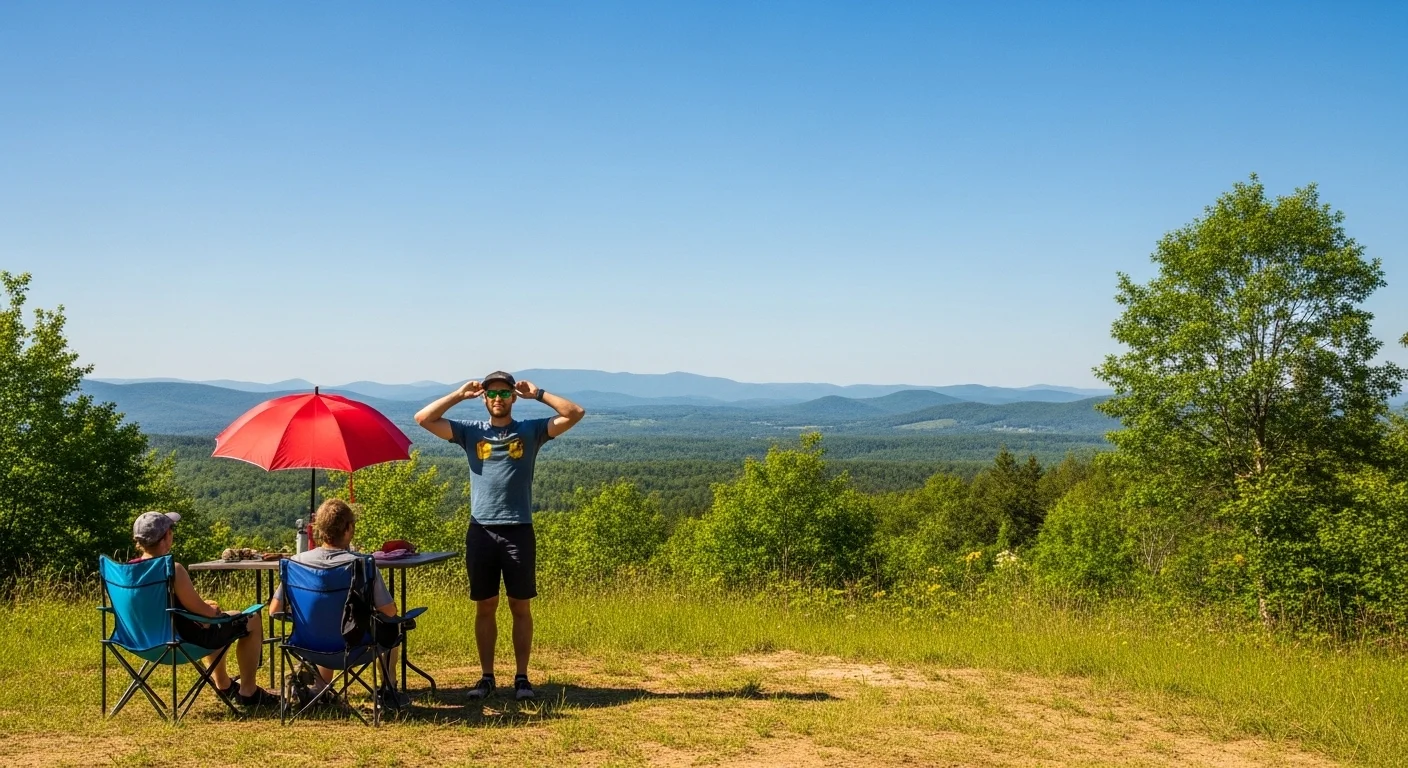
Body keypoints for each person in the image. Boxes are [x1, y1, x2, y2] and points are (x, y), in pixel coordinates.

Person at [414, 371, 585, 701]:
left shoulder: (531, 430)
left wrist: (539, 393)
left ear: (513, 398)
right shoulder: (469, 432)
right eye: (492, 394)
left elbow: (574, 413)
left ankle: (522, 678)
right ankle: (487, 677)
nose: (498, 399)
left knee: (520, 606)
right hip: (481, 529)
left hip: (519, 528)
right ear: (484, 398)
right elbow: (423, 418)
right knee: (485, 606)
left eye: (505, 394)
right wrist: (458, 394)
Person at [268, 498, 409, 709]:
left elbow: (274, 611)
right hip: (355, 648)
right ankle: (389, 691)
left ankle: (321, 689)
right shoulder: (361, 565)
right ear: (348, 528)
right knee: (389, 623)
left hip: (308, 646)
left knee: (326, 620)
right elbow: (389, 610)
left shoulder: (296, 563)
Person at [128, 511, 279, 707]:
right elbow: (206, 614)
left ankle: (224, 684)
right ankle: (248, 692)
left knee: (215, 614)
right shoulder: (172, 569)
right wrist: (212, 610)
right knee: (252, 619)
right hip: (182, 642)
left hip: (140, 642)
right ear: (166, 537)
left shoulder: (128, 572)